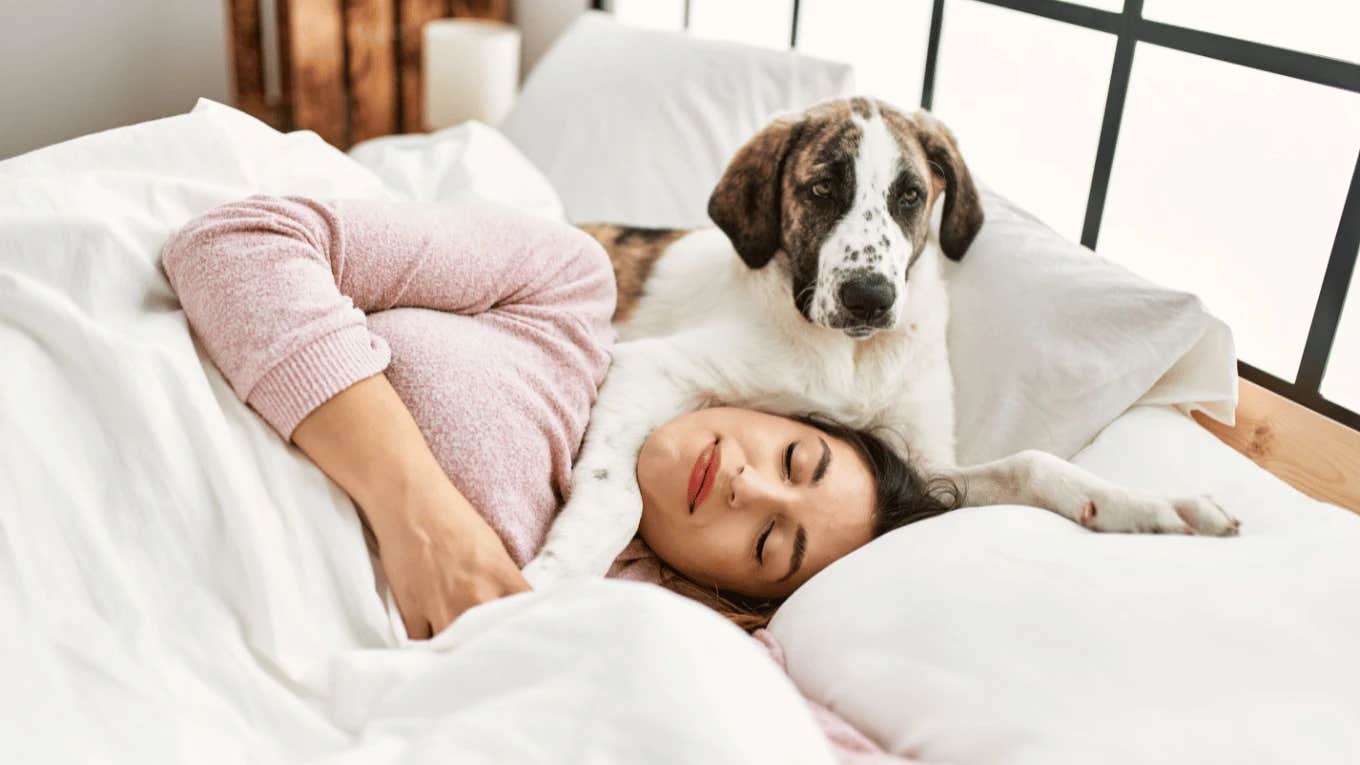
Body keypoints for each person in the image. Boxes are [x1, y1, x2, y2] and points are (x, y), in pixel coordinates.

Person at [162, 195, 954, 640]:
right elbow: (237, 242)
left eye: (769, 542)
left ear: (728, 595)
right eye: (793, 458)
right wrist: (423, 517)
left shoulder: (617, 622)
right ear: (775, 405)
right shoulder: (565, 295)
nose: (749, 486)